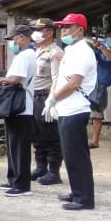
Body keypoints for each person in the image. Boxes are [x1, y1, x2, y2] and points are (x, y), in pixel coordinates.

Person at [45, 13, 98, 211]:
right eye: (63, 27)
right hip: (67, 107)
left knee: (77, 155)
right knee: (69, 154)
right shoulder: (71, 49)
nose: (64, 30)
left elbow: (74, 82)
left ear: (80, 29)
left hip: (75, 107)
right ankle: (77, 191)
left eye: (68, 27)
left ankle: (84, 198)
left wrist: (54, 98)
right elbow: (62, 78)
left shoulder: (83, 51)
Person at [0, 25, 36, 197]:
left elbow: (15, 79)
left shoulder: (25, 55)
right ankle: (13, 178)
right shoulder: (25, 54)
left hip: (21, 106)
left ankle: (22, 184)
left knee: (19, 147)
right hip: (18, 106)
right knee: (13, 145)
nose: (12, 43)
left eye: (13, 39)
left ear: (21, 37)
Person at [28, 18, 64, 185]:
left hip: (46, 97)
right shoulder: (35, 51)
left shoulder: (55, 52)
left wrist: (53, 100)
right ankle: (40, 167)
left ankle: (53, 171)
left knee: (50, 135)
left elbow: (57, 79)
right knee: (36, 135)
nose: (35, 32)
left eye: (39, 29)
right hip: (33, 96)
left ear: (49, 32)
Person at [88, 29, 111, 151]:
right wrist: (92, 45)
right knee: (96, 116)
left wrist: (102, 47)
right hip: (98, 87)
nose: (107, 38)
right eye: (106, 37)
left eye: (110, 37)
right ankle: (95, 141)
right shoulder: (99, 52)